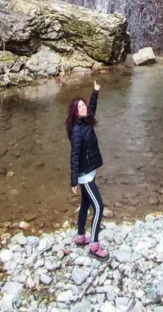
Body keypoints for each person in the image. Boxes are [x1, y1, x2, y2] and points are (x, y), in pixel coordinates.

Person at [66, 80, 109, 260]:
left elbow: (92, 108)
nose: (84, 109)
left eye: (84, 106)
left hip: (89, 170)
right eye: (80, 108)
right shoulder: (77, 131)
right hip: (84, 175)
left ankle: (81, 236)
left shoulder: (86, 120)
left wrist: (95, 91)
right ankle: (94, 245)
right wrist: (74, 179)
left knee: (85, 204)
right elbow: (74, 155)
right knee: (99, 206)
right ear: (75, 112)